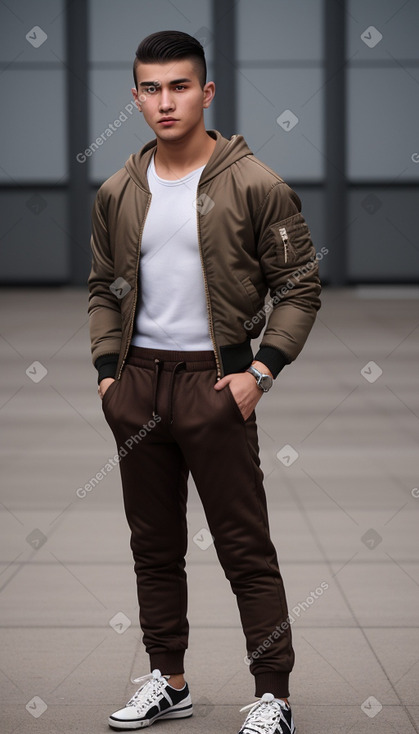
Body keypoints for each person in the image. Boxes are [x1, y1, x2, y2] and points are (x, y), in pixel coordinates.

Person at [88, 29, 321, 734]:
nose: (166, 101)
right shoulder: (118, 190)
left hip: (214, 385)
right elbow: (103, 287)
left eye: (180, 86)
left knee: (244, 546)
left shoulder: (256, 185)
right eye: (151, 89)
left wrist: (259, 371)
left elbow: (300, 287)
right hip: (138, 386)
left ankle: (272, 696)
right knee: (152, 545)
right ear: (135, 97)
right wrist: (107, 378)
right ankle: (170, 681)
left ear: (206, 92)